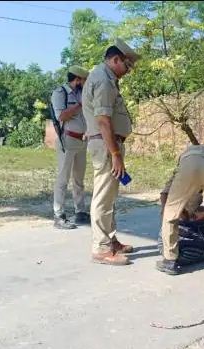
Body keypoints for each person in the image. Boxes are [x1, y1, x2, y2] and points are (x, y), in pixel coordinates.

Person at [82, 39, 139, 266]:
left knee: (109, 197)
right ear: (115, 60)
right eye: (127, 65)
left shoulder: (106, 78)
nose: (128, 71)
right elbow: (104, 121)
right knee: (103, 198)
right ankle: (101, 248)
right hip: (106, 146)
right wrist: (115, 153)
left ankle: (109, 240)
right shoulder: (103, 81)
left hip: (109, 145)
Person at [156, 145, 204, 276]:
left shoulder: (183, 164)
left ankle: (170, 261)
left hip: (190, 165)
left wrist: (169, 212)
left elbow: (167, 200)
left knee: (170, 214)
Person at [51, 65, 90, 230]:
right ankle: (59, 214)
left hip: (81, 141)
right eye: (83, 79)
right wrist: (79, 105)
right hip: (67, 140)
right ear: (77, 79)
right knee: (63, 178)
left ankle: (80, 211)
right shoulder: (60, 93)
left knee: (79, 179)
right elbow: (61, 115)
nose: (84, 83)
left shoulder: (81, 93)